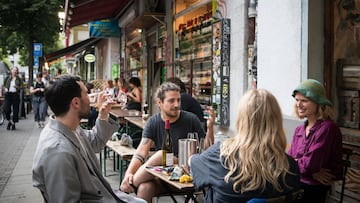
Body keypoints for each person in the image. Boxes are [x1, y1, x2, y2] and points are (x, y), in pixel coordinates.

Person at [32, 74, 146, 203]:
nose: (92, 98)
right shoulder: (58, 152)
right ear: (76, 102)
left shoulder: (70, 128)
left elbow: (95, 142)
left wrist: (103, 115)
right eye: (87, 94)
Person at [189, 89, 301, 202]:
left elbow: (193, 164)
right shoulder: (291, 167)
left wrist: (191, 158)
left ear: (242, 120)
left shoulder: (220, 156)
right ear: (277, 121)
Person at [120, 82, 215, 202]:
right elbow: (141, 151)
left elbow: (207, 149)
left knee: (160, 154)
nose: (176, 104)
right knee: (144, 188)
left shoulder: (191, 119)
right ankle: (129, 184)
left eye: (178, 100)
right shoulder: (153, 122)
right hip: (165, 176)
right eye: (171, 101)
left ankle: (127, 188)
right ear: (159, 102)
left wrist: (210, 127)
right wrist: (128, 173)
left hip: (187, 176)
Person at [288, 79, 343, 203]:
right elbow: (289, 160)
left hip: (312, 190)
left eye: (304, 101)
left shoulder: (328, 128)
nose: (298, 105)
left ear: (319, 103)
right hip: (297, 184)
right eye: (297, 100)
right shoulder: (299, 129)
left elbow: (309, 164)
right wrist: (311, 173)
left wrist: (303, 167)